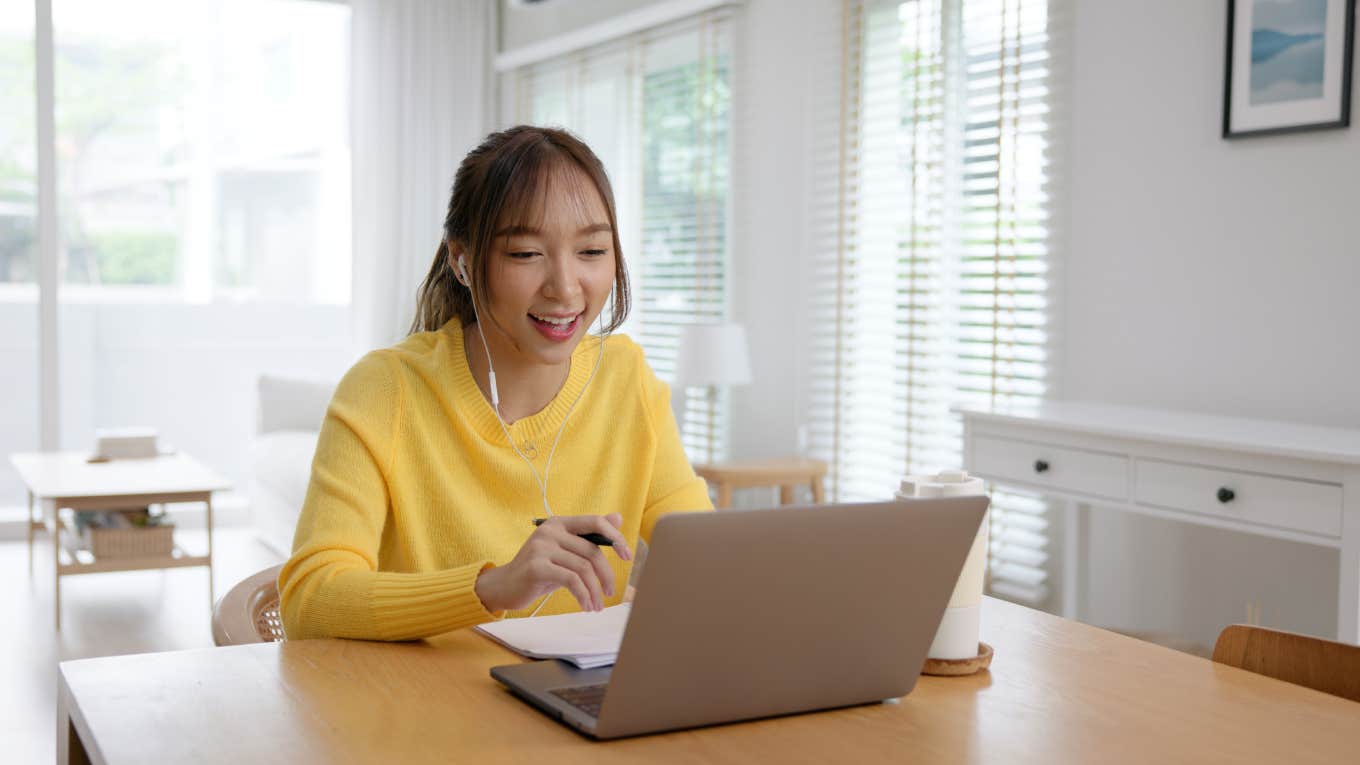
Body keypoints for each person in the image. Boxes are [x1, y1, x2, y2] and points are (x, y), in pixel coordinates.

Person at [278, 126, 714, 641]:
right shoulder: (385, 391)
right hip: (422, 710)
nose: (565, 287)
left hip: (577, 709)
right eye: (526, 254)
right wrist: (493, 587)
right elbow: (310, 599)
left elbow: (705, 558)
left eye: (592, 252)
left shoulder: (627, 381)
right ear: (462, 260)